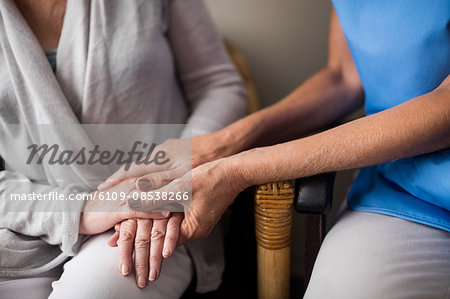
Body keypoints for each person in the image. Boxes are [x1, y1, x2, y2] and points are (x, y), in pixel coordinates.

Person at [110, 1, 450, 298]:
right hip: (403, 194)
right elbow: (343, 77)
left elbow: (444, 110)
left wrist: (236, 170)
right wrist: (219, 143)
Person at [0, 0, 246, 298]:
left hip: (152, 215)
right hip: (22, 221)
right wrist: (78, 210)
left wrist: (174, 179)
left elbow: (218, 84)